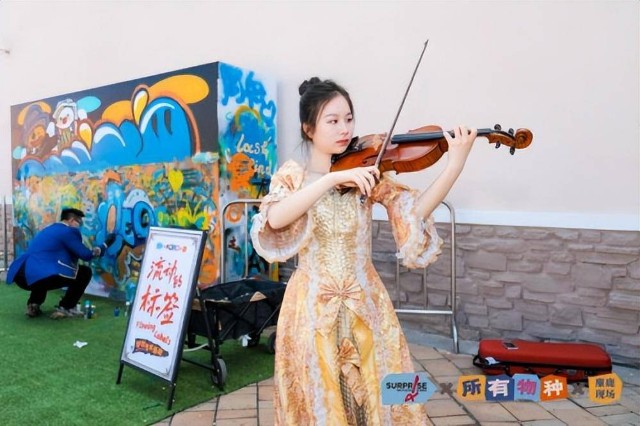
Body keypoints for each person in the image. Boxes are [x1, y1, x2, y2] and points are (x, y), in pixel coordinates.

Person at [250, 77, 477, 425]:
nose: (345, 129)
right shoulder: (293, 176)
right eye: (332, 120)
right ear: (308, 128)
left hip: (365, 301)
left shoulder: (367, 172)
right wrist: (330, 179)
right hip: (311, 307)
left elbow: (413, 212)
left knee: (379, 391)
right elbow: (276, 218)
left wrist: (455, 165)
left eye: (349, 118)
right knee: (321, 395)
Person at [6, 207, 114, 319]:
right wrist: (104, 245)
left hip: (21, 274)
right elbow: (86, 255)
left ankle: (33, 305)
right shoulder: (68, 231)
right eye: (79, 222)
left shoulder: (49, 229)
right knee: (84, 272)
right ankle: (66, 307)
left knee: (43, 271)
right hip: (36, 273)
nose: (80, 226)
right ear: (72, 220)